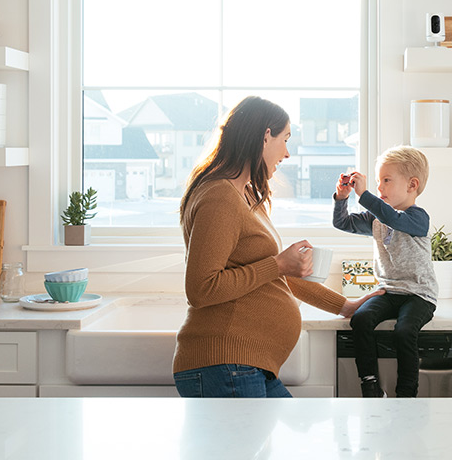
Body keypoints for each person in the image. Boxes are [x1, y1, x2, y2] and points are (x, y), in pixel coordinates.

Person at [173, 96, 381, 398]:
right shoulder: (219, 196)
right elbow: (201, 288)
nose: (286, 153)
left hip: (244, 365)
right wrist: (279, 264)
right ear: (264, 136)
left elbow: (275, 276)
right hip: (225, 363)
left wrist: (344, 306)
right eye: (284, 139)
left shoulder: (244, 196)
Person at [332, 146, 438, 398]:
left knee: (404, 331)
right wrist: (342, 198)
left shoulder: (417, 217)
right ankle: (370, 385)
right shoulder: (376, 218)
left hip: (419, 295)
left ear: (412, 185)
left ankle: (406, 393)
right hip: (388, 291)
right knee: (361, 320)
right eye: (378, 182)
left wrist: (366, 195)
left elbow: (395, 220)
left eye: (386, 180)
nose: (380, 188)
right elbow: (342, 223)